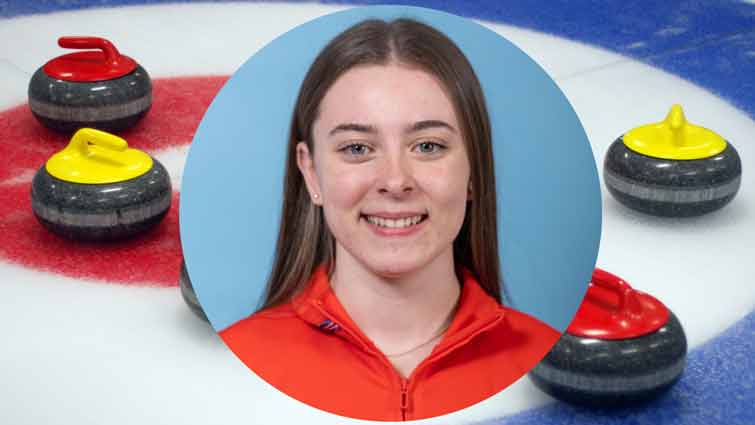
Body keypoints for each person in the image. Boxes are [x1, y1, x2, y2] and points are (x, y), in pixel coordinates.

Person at [219, 18, 560, 421]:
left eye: (429, 146)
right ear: (310, 173)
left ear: (474, 171)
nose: (396, 181)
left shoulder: (551, 363)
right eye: (358, 148)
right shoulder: (232, 364)